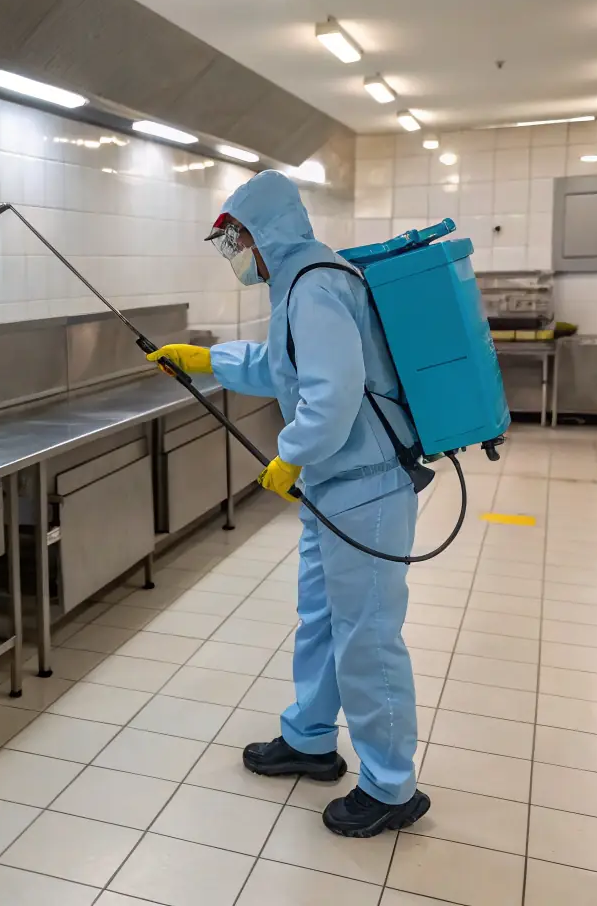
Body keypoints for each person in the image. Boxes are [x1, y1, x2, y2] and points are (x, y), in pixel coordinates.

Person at [147, 169, 430, 838]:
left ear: (262, 232)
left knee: (365, 633)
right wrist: (205, 359)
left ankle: (391, 786)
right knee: (320, 621)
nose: (233, 253)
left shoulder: (317, 285)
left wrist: (290, 453)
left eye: (235, 238)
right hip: (334, 487)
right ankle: (307, 739)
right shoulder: (295, 283)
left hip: (365, 485)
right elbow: (282, 367)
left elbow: (331, 397)